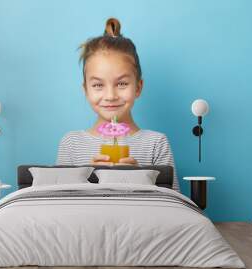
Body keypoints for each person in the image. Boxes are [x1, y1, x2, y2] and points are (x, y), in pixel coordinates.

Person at [56, 18, 180, 191]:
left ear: (138, 87)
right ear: (86, 90)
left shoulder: (156, 144)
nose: (110, 96)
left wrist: (140, 181)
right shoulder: (71, 144)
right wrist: (87, 180)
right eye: (98, 85)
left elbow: (173, 206)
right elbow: (58, 204)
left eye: (121, 84)